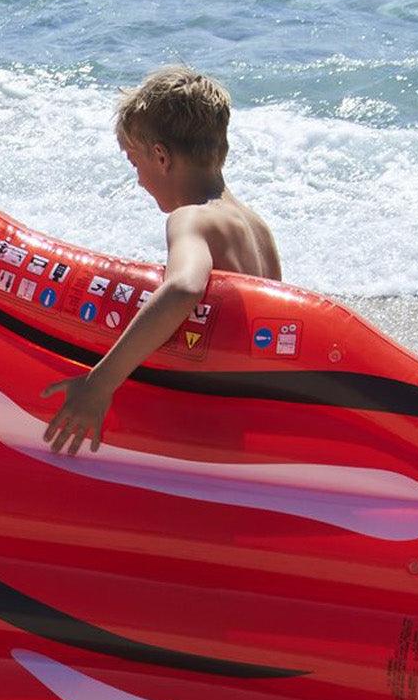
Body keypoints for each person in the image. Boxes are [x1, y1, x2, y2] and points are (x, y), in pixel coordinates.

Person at [41, 65, 282, 456]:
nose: (139, 180)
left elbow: (184, 287)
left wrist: (99, 384)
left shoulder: (192, 218)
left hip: (208, 426)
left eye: (135, 164)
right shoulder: (258, 228)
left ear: (161, 157)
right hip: (245, 418)